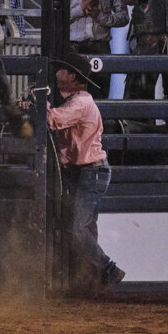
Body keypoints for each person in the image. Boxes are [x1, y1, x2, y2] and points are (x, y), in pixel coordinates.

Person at [47, 53, 125, 293]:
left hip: (90, 171)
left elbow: (52, 120)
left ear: (72, 76)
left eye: (62, 70)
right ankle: (93, 278)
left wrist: (39, 104)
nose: (57, 73)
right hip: (88, 171)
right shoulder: (77, 101)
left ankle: (108, 268)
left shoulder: (80, 103)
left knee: (77, 227)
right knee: (86, 226)